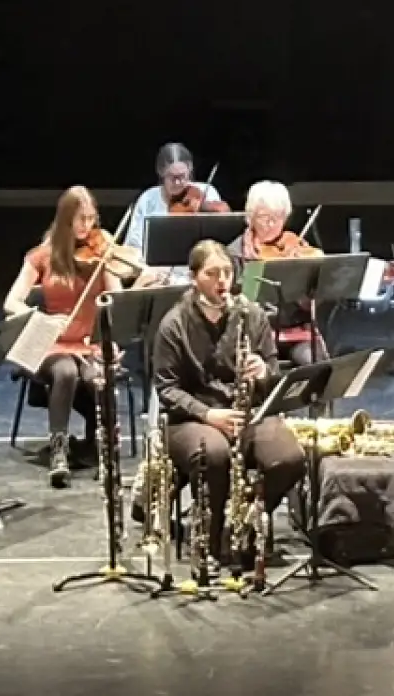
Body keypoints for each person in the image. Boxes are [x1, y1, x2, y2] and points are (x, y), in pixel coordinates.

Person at [150, 240, 307, 562]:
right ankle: (211, 541)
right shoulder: (174, 324)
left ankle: (245, 519)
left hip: (247, 411)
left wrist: (262, 371)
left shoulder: (251, 314)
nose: (222, 280)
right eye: (212, 273)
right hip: (193, 418)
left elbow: (273, 371)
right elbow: (167, 389)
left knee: (289, 458)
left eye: (227, 272)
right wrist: (208, 414)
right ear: (194, 277)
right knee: (214, 455)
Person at [3, 185, 126, 488]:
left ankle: (102, 448)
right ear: (65, 219)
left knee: (96, 377)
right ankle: (59, 450)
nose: (87, 226)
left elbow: (118, 301)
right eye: (80, 219)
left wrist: (123, 272)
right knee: (66, 371)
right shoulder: (43, 255)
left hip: (88, 343)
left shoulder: (101, 253)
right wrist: (42, 319)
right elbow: (11, 302)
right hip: (50, 344)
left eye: (91, 218)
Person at [227, 180, 326, 366]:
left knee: (316, 364)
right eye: (264, 217)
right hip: (254, 336)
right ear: (251, 217)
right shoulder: (235, 253)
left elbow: (314, 302)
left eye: (278, 217)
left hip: (295, 334)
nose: (271, 224)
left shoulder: (296, 247)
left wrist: (303, 290)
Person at [125, 142, 229, 284]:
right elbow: (133, 246)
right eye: (172, 177)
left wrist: (203, 206)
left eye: (183, 176)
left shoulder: (207, 192)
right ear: (161, 173)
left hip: (200, 277)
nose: (178, 182)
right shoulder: (148, 199)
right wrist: (149, 271)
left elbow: (220, 239)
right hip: (158, 276)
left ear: (190, 171)